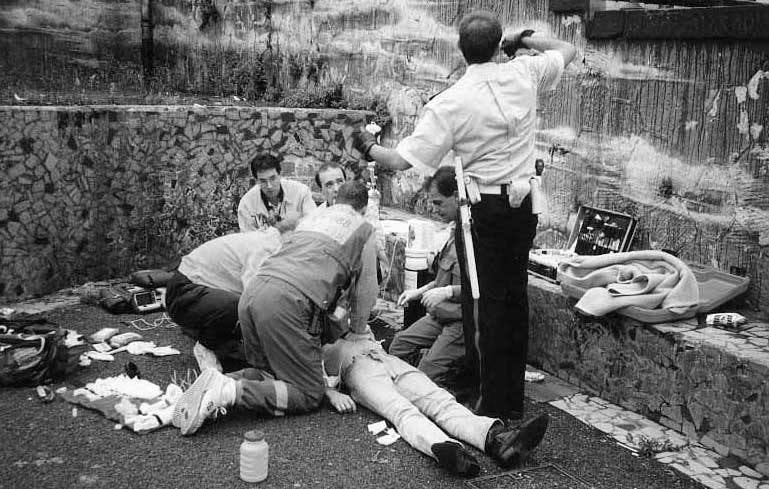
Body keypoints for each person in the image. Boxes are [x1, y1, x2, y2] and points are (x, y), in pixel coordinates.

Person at [354, 11, 577, 421]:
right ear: (498, 46)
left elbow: (401, 160)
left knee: (485, 304)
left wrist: (366, 145)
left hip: (483, 212)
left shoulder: (451, 101)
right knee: (513, 299)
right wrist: (523, 39)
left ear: (461, 49)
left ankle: (491, 403)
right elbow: (567, 48)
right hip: (524, 207)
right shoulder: (525, 72)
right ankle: (505, 396)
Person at [173, 181, 379, 435]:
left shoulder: (312, 220)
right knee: (308, 393)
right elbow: (366, 290)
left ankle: (219, 383)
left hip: (251, 294)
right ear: (365, 208)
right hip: (285, 303)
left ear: (336, 201)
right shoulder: (363, 231)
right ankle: (228, 391)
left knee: (270, 373)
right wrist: (358, 331)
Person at [323, 333, 550, 477]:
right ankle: (446, 449)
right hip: (355, 370)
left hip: (385, 358)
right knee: (402, 411)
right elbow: (300, 370)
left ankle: (497, 439)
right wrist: (330, 392)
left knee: (440, 399)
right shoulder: (308, 324)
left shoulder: (347, 300)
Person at [164, 228, 284, 372]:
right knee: (240, 306)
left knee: (248, 311)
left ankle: (224, 345)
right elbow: (254, 299)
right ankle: (205, 347)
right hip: (183, 294)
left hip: (203, 293)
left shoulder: (274, 242)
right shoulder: (266, 249)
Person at [389, 166, 464, 386]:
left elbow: (485, 288)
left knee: (426, 372)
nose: (434, 209)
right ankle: (419, 379)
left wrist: (448, 291)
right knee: (398, 346)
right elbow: (442, 279)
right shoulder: (453, 234)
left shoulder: (474, 239)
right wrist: (419, 291)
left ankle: (447, 379)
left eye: (439, 202)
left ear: (458, 197)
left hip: (461, 321)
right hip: (440, 316)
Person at [238, 154, 316, 232]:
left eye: (273, 178)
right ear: (256, 180)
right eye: (263, 181)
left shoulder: (301, 192)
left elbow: (314, 224)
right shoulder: (246, 204)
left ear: (280, 174)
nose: (269, 186)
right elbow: (248, 238)